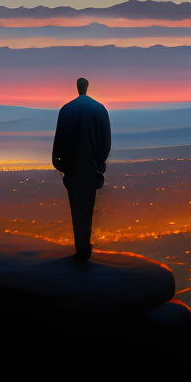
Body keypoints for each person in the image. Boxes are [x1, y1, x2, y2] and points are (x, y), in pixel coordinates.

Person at [51, 76, 112, 261]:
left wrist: (60, 164)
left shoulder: (66, 110)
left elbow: (59, 139)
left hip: (72, 169)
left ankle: (81, 247)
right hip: (91, 168)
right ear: (87, 87)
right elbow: (106, 141)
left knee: (76, 209)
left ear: (78, 87)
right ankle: (84, 247)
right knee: (88, 208)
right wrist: (100, 163)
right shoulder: (99, 109)